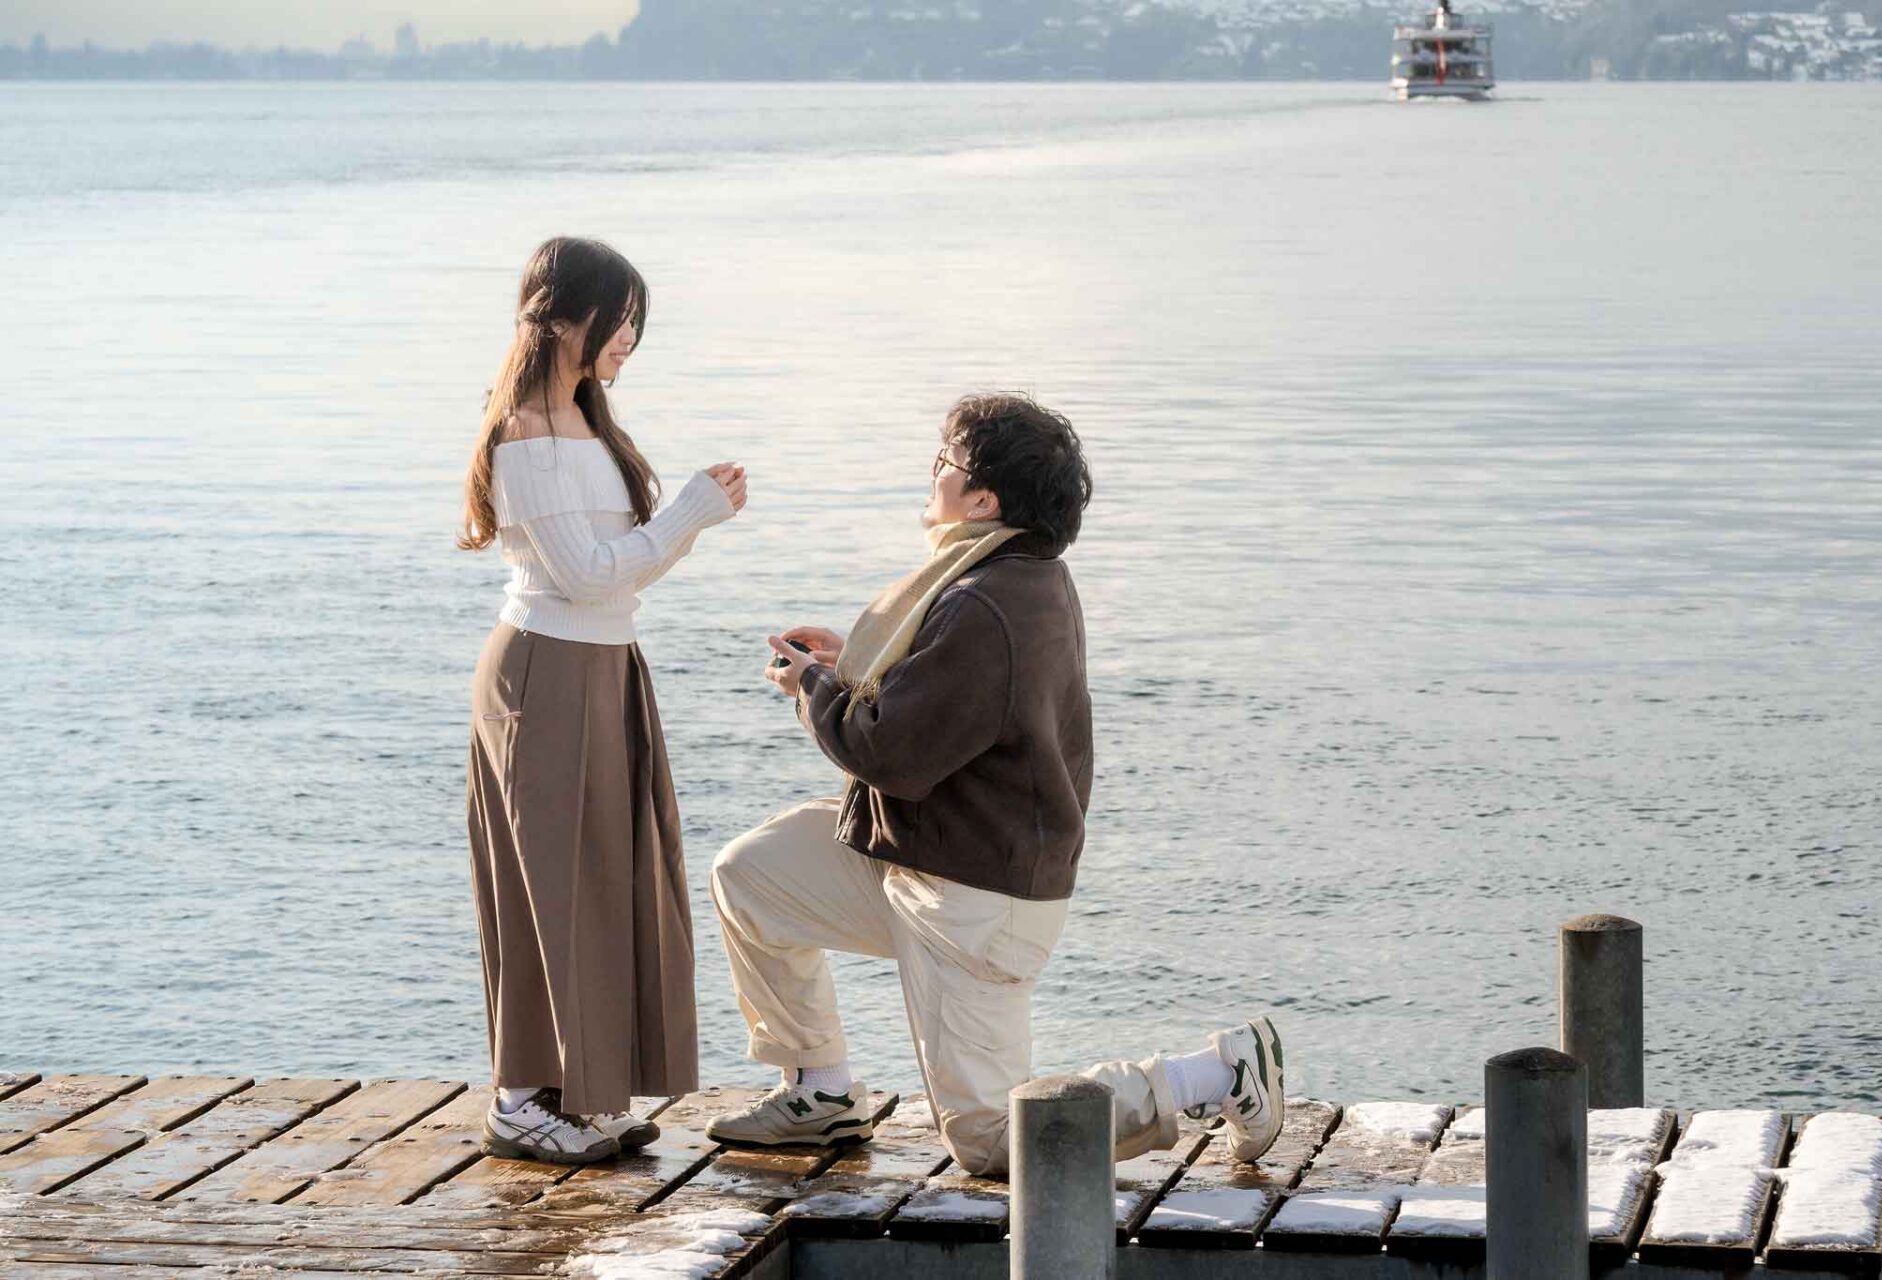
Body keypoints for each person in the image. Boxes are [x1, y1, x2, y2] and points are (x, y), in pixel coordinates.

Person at [705, 392, 1283, 1177]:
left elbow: (891, 753)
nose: (931, 473)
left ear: (984, 498)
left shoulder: (987, 604)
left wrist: (814, 688)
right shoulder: (1011, 576)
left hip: (973, 904)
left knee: (989, 1142)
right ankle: (821, 1091)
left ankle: (1211, 1075)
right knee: (752, 874)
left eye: (944, 463)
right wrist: (847, 668)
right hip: (921, 859)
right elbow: (946, 703)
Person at [459, 237, 748, 1164]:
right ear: (567, 317)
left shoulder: (586, 423)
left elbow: (618, 581)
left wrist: (687, 520)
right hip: (545, 671)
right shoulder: (526, 436)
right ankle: (517, 1101)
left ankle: (578, 1094)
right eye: (621, 317)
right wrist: (692, 511)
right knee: (546, 887)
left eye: (638, 322)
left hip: (605, 665)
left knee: (608, 879)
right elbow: (585, 576)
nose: (630, 337)